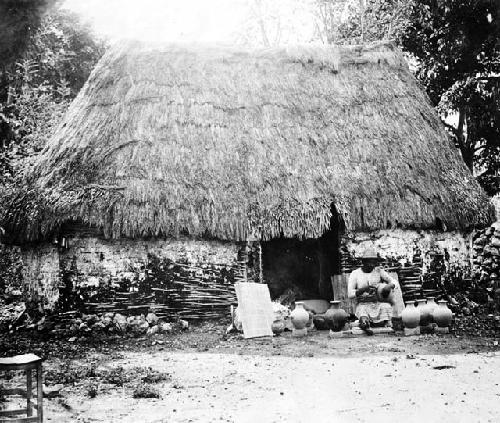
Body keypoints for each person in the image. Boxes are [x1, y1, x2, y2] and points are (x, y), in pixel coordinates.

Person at [347, 248, 397, 335]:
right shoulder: (355, 274)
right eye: (368, 262)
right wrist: (363, 289)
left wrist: (388, 286)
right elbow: (350, 294)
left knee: (386, 306)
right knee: (363, 314)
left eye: (373, 262)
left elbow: (394, 281)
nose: (371, 265)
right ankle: (364, 325)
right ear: (363, 262)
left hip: (377, 303)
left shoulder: (378, 271)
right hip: (363, 304)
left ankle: (386, 325)